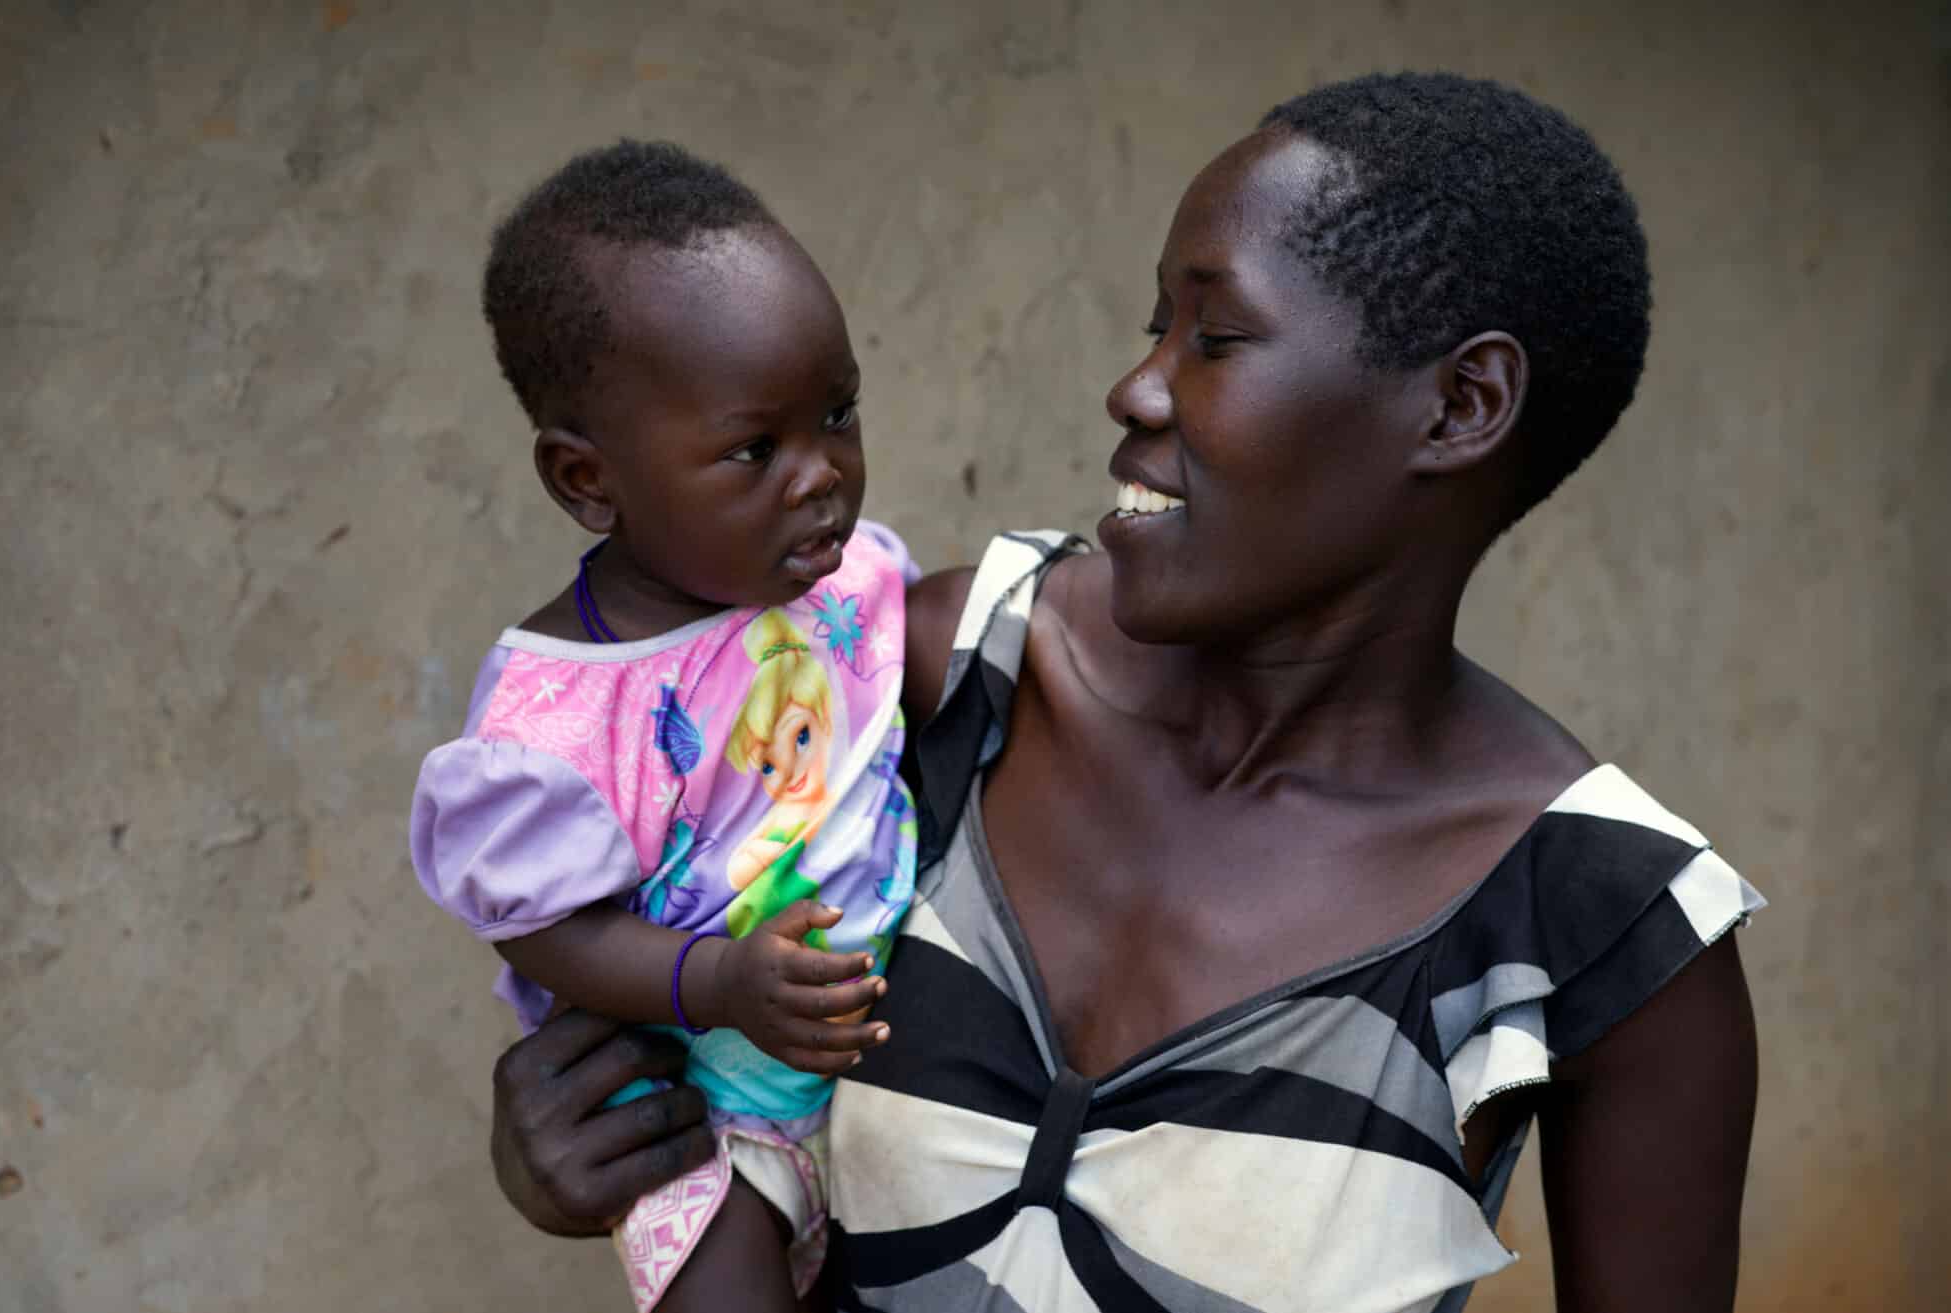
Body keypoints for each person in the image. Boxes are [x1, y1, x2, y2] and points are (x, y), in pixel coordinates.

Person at [482, 74, 1765, 1312]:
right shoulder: (932, 675)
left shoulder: (1609, 930)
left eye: (1212, 335)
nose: (1136, 386)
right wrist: (571, 1132)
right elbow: (642, 918)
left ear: (1460, 406)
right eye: (1151, 326)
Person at [408, 142, 920, 1312]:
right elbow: (546, 931)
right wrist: (716, 978)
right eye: (756, 448)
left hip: (886, 1033)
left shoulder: (841, 589)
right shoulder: (558, 719)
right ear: (589, 480)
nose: (822, 475)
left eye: (836, 413)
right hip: (709, 1092)